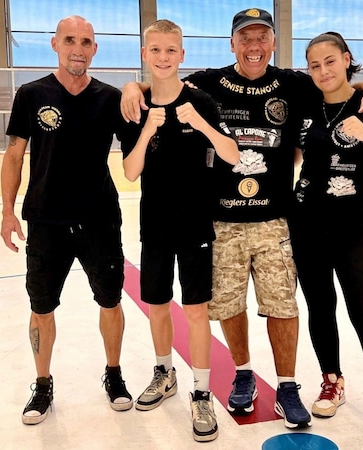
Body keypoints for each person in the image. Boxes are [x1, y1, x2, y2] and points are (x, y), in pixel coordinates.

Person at [121, 8, 363, 430]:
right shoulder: (209, 83)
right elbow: (163, 81)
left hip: (277, 220)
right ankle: (243, 374)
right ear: (232, 44)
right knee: (229, 305)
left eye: (261, 37)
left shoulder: (294, 83)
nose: (253, 46)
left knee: (282, 306)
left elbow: (335, 85)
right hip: (221, 221)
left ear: (273, 43)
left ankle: (286, 387)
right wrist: (129, 87)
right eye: (245, 38)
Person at [0, 15, 135, 425]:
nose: (78, 48)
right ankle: (42, 384)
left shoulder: (111, 98)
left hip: (99, 220)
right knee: (41, 307)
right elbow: (13, 155)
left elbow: (136, 152)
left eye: (87, 42)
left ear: (95, 49)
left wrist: (135, 87)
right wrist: (7, 211)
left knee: (110, 301)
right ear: (55, 44)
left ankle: (114, 374)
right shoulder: (30, 94)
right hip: (46, 221)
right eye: (70, 40)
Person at [119, 19, 240, 443]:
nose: (164, 57)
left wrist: (203, 125)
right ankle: (164, 372)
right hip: (154, 224)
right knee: (156, 304)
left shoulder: (202, 100)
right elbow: (130, 172)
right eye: (156, 50)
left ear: (182, 56)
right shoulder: (135, 107)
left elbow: (232, 154)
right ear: (144, 54)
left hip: (195, 225)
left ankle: (202, 391)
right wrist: (148, 128)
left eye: (171, 50)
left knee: (195, 310)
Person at [291, 32, 363, 448]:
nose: (323, 71)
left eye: (330, 61)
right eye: (314, 64)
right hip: (306, 225)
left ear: (346, 59)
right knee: (320, 310)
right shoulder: (304, 99)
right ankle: (331, 382)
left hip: (355, 228)